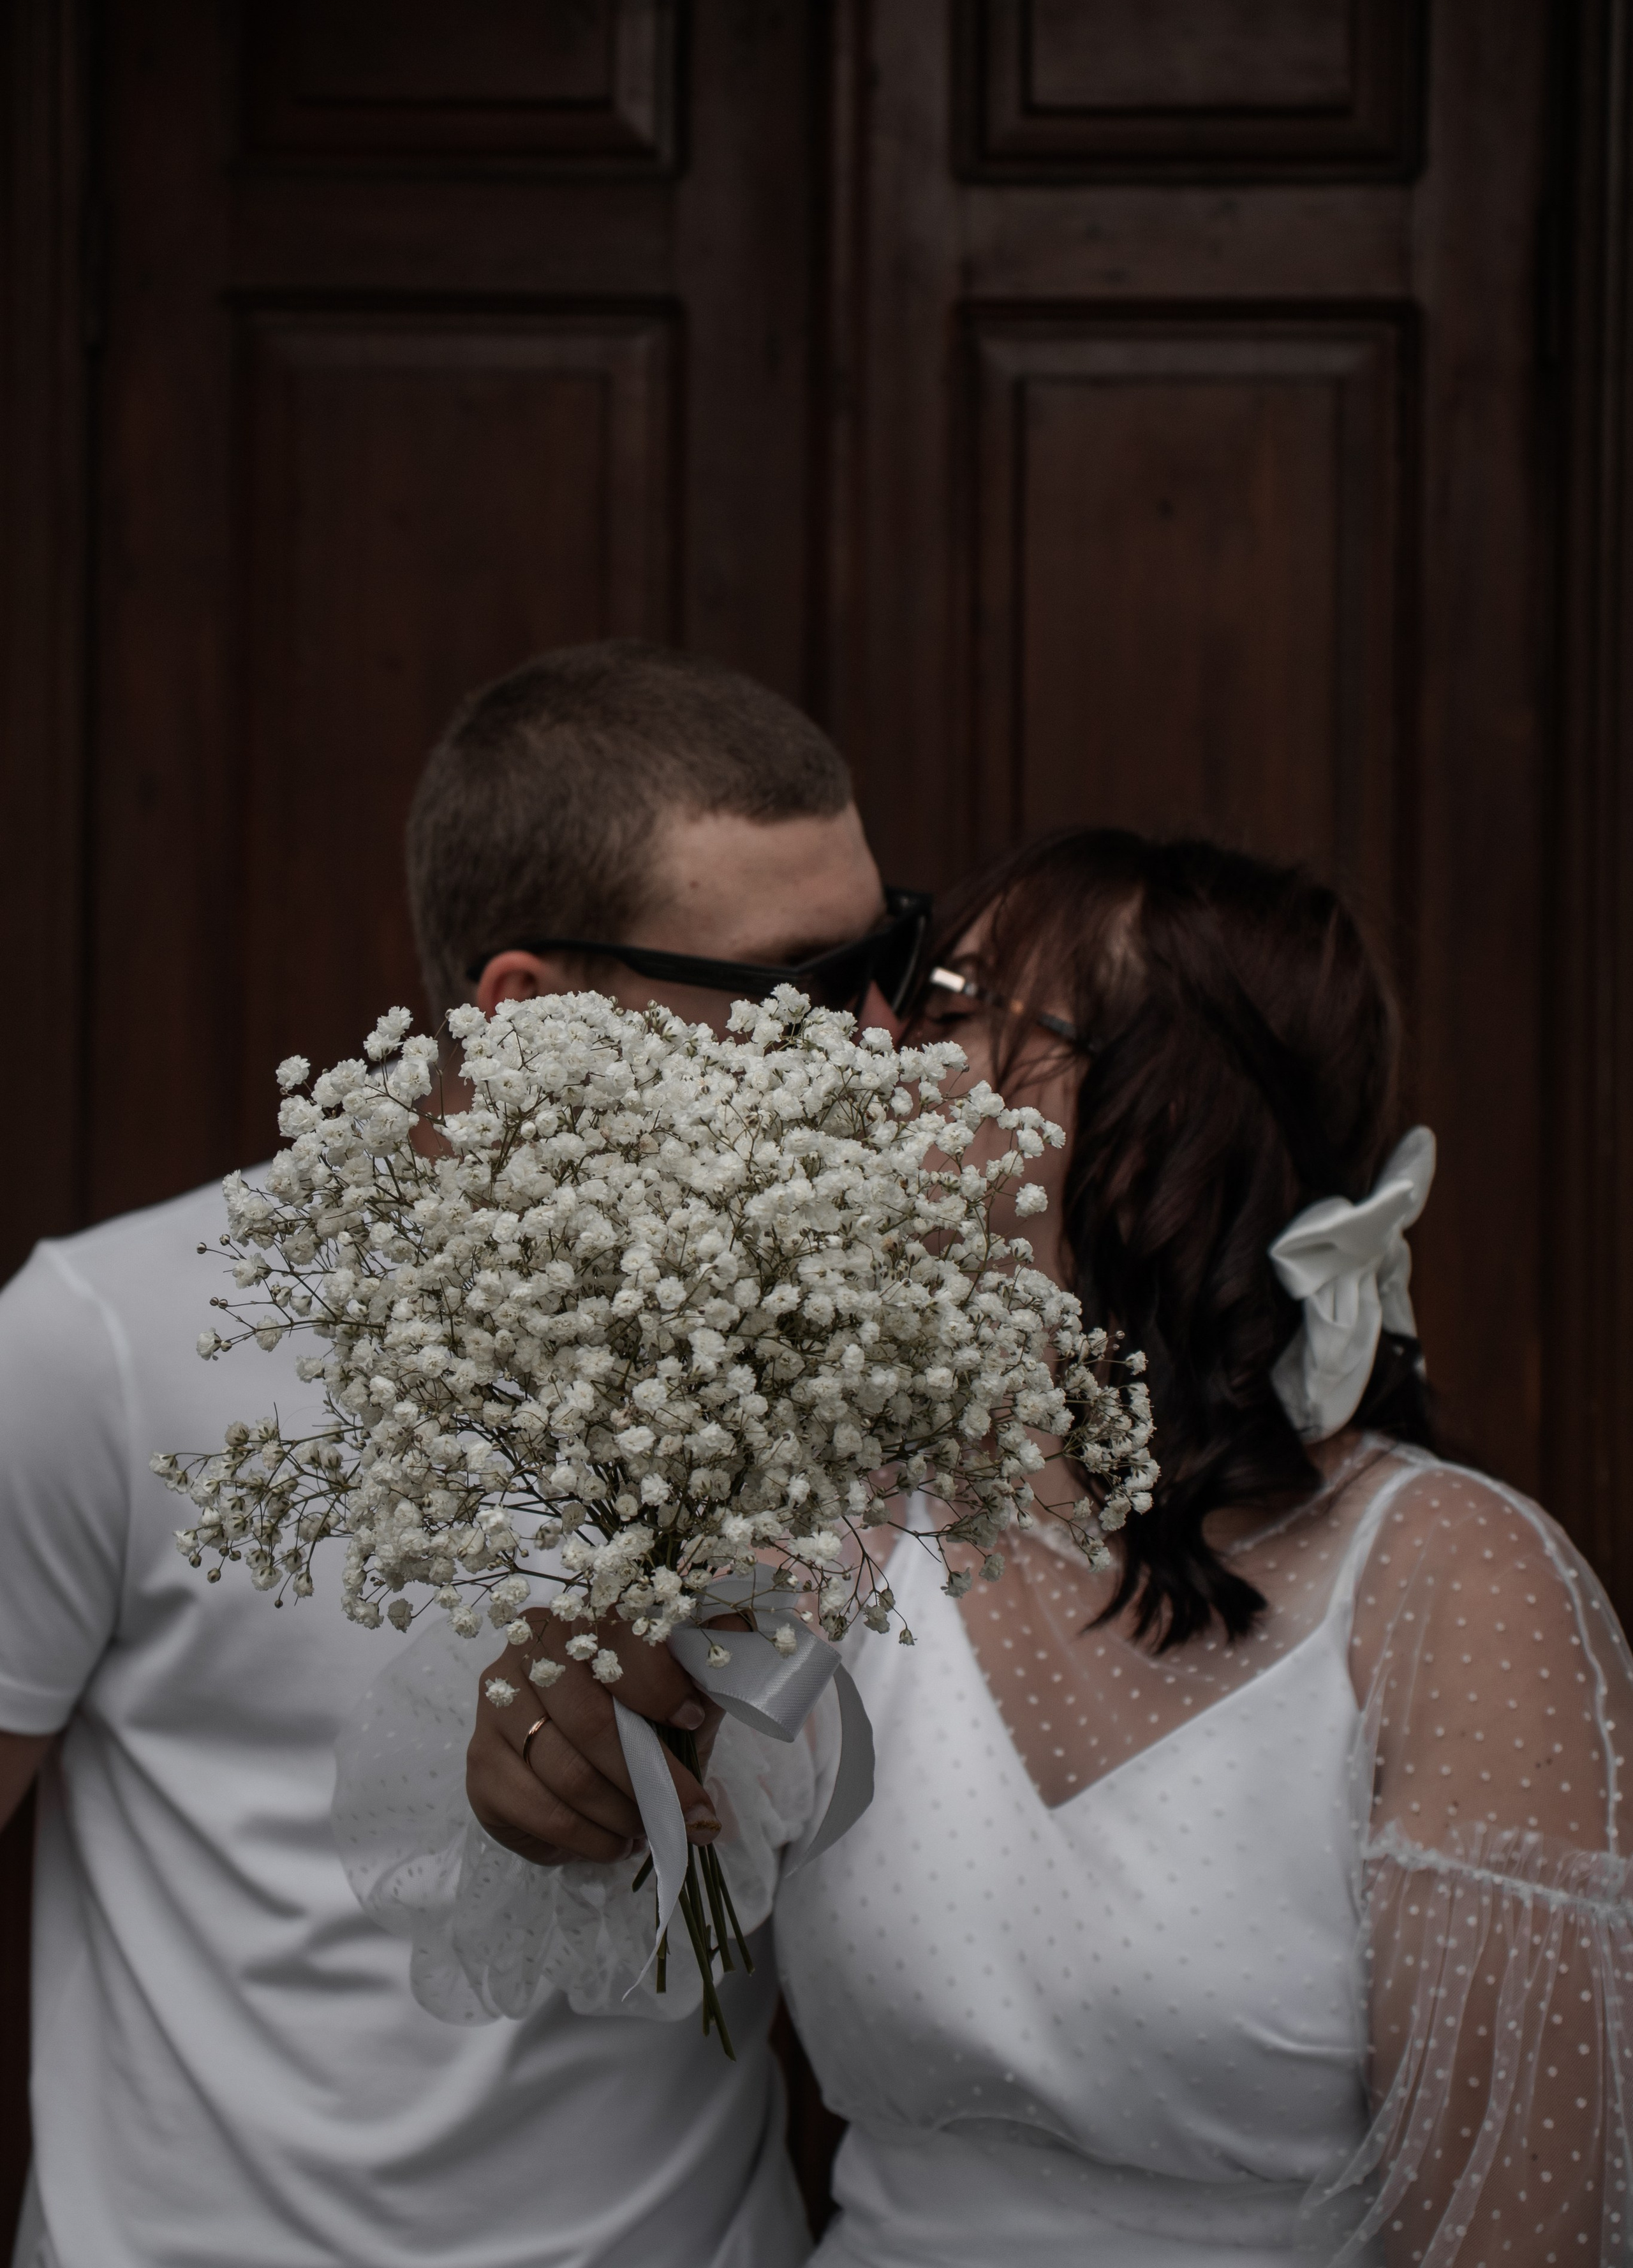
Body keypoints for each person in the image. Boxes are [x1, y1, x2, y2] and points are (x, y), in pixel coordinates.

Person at [397, 826, 1633, 2265]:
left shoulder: (1452, 1586)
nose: (882, 1048)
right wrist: (573, 1745)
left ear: (1176, 1114)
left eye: (965, 1008)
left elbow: (1512, 2223)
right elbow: (616, 1907)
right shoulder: (842, 1518)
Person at [0, 642, 926, 2268]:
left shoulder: (843, 1348)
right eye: (793, 987)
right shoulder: (112, 1343)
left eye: (889, 957)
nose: (871, 1042)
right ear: (526, 1015)